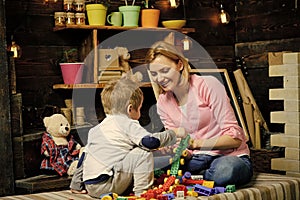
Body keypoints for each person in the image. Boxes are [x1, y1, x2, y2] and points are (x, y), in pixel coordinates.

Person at [145, 41, 253, 187]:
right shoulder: (163, 103)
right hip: (195, 160)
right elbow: (177, 144)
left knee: (227, 170)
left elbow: (235, 139)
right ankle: (197, 177)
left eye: (164, 70)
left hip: (227, 156)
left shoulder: (208, 85)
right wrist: (159, 148)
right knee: (146, 164)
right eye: (154, 74)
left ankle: (191, 178)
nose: (159, 79)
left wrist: (196, 144)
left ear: (180, 65)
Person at [70, 76, 187, 197]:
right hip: (109, 183)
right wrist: (174, 133)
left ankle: (78, 186)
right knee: (143, 152)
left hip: (92, 187)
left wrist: (76, 185)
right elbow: (150, 142)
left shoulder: (96, 130)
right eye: (140, 108)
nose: (140, 113)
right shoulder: (127, 123)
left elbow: (84, 158)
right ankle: (143, 193)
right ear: (130, 109)